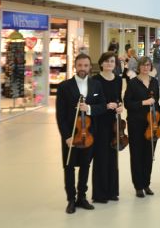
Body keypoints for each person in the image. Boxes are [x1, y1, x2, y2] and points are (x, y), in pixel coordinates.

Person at [56, 53, 106, 214]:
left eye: (85, 65)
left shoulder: (96, 85)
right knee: (69, 167)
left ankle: (82, 197)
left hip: (89, 134)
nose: (82, 68)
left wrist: (89, 108)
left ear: (90, 67)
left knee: (85, 165)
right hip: (71, 134)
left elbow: (103, 105)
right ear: (75, 66)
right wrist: (66, 136)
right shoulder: (64, 86)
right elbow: (60, 115)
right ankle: (71, 199)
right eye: (80, 65)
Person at [124, 56, 160, 198]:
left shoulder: (155, 82)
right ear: (138, 67)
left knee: (149, 154)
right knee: (137, 154)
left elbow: (157, 102)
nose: (146, 67)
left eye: (148, 65)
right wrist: (144, 102)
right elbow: (128, 103)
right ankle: (138, 186)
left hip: (152, 124)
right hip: (136, 124)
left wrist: (158, 119)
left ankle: (146, 183)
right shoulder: (133, 83)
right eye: (143, 65)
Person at [91, 52, 123, 204]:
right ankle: (100, 194)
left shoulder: (118, 80)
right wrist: (105, 106)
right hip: (99, 121)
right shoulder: (95, 80)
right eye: (107, 61)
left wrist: (120, 107)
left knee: (112, 156)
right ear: (101, 63)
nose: (110, 64)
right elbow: (92, 101)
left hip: (114, 122)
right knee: (100, 156)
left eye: (112, 61)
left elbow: (119, 99)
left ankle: (112, 191)